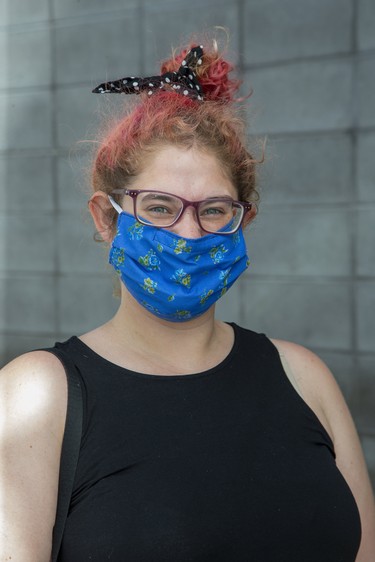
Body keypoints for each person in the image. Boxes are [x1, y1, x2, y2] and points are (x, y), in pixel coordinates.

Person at [1, 36, 374, 562]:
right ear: (107, 219)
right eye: (158, 207)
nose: (190, 234)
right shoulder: (38, 397)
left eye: (215, 210)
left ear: (243, 220)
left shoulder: (305, 378)